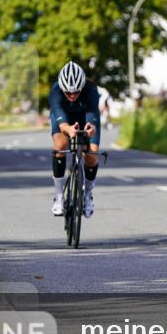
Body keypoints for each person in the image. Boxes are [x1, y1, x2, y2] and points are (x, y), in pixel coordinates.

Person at [49, 61, 101, 218]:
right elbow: (62, 122)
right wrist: (68, 129)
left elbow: (92, 116)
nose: (72, 96)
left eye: (76, 92)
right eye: (68, 93)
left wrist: (91, 130)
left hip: (85, 116)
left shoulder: (91, 90)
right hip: (63, 118)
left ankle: (87, 195)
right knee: (60, 145)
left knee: (91, 155)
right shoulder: (56, 90)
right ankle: (59, 197)